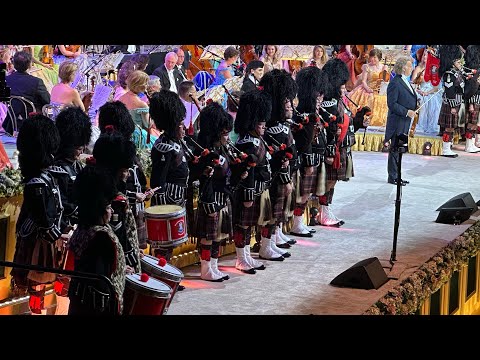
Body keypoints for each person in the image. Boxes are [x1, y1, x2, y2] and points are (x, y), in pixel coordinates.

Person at [11, 115, 67, 315]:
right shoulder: (36, 184)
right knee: (37, 286)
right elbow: (42, 218)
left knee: (56, 283)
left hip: (49, 239)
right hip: (38, 241)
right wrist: (58, 235)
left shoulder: (46, 177)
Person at [233, 88, 282, 272]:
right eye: (261, 124)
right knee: (243, 224)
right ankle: (241, 258)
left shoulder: (256, 139)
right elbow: (248, 171)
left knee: (249, 225)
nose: (264, 127)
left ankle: (246, 255)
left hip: (260, 188)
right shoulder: (247, 142)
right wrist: (248, 195)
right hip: (251, 190)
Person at [67, 164, 127, 315]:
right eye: (108, 207)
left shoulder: (82, 229)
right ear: (98, 209)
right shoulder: (101, 238)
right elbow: (101, 284)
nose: (111, 210)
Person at [52, 107, 92, 314]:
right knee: (63, 278)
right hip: (64, 228)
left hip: (80, 228)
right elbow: (60, 200)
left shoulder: (77, 167)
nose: (81, 149)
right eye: (77, 145)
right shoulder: (58, 168)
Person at [97, 101, 152, 250]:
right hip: (118, 211)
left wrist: (145, 191)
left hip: (133, 209)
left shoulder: (125, 150)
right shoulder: (109, 152)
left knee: (136, 251)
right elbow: (114, 187)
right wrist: (134, 196)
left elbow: (137, 178)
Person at [194, 103, 236, 281]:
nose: (227, 137)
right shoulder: (204, 151)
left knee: (218, 235)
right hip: (209, 198)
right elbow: (203, 178)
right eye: (225, 133)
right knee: (208, 236)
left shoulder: (221, 147)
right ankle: (205, 268)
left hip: (222, 194)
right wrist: (210, 203)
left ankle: (213, 265)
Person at [93, 130, 143, 274]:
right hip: (111, 257)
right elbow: (117, 232)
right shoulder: (112, 196)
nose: (127, 174)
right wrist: (130, 255)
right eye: (125, 170)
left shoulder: (103, 185)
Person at [260, 69, 298, 251]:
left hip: (281, 170)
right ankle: (267, 244)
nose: (289, 105)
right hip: (273, 173)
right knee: (273, 208)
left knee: (279, 206)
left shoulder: (281, 125)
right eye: (286, 102)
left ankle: (273, 238)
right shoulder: (273, 128)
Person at [149, 89, 188, 263]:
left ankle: (168, 268)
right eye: (180, 123)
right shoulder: (163, 146)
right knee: (164, 240)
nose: (184, 127)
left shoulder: (176, 143)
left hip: (179, 195)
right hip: (168, 197)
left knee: (171, 241)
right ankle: (162, 271)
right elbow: (159, 179)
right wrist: (162, 204)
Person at [289, 66, 326, 236]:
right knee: (303, 193)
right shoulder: (306, 112)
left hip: (311, 155)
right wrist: (309, 162)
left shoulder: (310, 110)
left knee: (306, 192)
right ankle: (296, 223)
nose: (320, 97)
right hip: (304, 158)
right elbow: (305, 142)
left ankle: (299, 222)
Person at [385, 56, 417, 185]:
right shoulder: (395, 83)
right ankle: (393, 176)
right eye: (410, 66)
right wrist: (406, 111)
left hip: (404, 121)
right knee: (395, 150)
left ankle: (397, 175)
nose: (412, 68)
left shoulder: (405, 81)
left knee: (400, 149)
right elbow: (392, 104)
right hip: (397, 121)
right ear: (403, 67)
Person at [4, 51, 50, 134]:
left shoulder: (7, 80)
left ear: (13, 64)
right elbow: (48, 101)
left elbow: (4, 100)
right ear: (29, 65)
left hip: (12, 120)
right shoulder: (37, 82)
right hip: (33, 121)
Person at [437, 45, 468, 157]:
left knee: (452, 126)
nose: (460, 63)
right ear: (451, 62)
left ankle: (448, 146)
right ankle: (445, 149)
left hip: (457, 103)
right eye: (458, 61)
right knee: (449, 127)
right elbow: (450, 92)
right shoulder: (449, 74)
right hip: (451, 104)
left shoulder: (456, 72)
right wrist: (453, 106)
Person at [348, 48, 389, 127]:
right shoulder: (367, 66)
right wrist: (367, 89)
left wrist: (385, 70)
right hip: (368, 88)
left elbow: (385, 81)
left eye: (375, 57)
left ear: (379, 58)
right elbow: (363, 81)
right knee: (368, 98)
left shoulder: (383, 67)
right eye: (371, 57)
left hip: (379, 89)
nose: (372, 59)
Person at [119, 70, 158, 149]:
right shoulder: (141, 104)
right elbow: (148, 125)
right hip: (137, 137)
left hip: (122, 134)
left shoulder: (121, 98)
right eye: (145, 83)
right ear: (138, 85)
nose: (147, 86)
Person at [410, 47, 442, 135]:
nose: (424, 57)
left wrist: (427, 93)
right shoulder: (418, 68)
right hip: (419, 91)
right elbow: (413, 83)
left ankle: (430, 126)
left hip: (432, 92)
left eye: (427, 56)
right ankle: (418, 125)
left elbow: (437, 87)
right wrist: (419, 91)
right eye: (424, 55)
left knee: (432, 101)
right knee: (420, 99)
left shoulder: (435, 70)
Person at [462, 45, 480, 152]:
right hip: (474, 97)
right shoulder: (472, 72)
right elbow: (472, 86)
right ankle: (468, 144)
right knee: (471, 122)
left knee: (475, 122)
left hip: (477, 96)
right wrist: (472, 103)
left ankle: (472, 142)